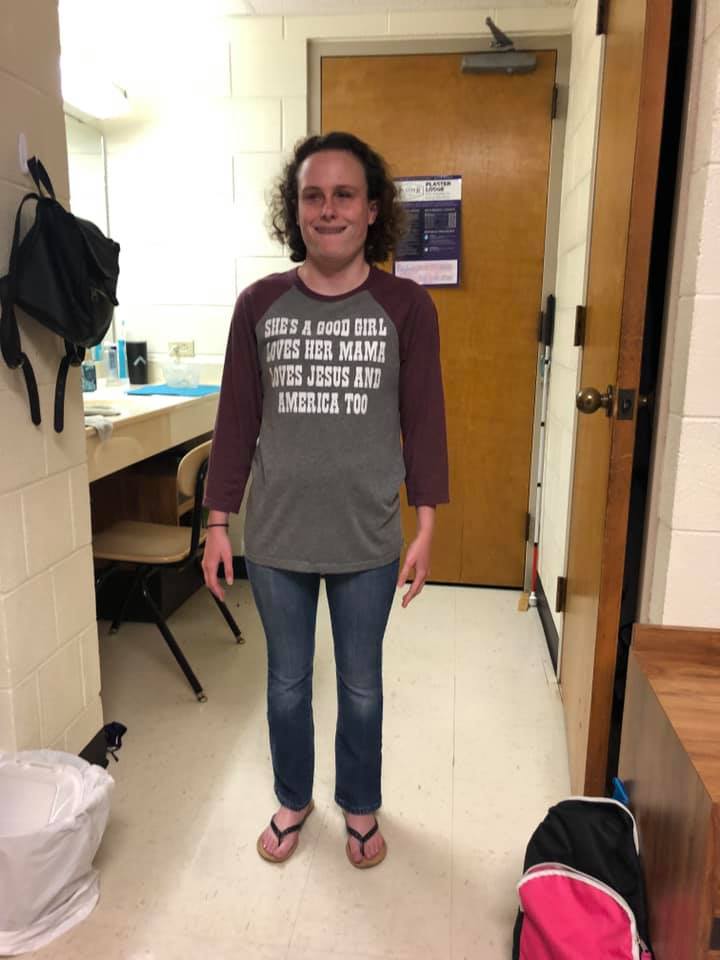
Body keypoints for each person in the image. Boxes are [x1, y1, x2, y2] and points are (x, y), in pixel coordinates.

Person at [202, 131, 448, 869]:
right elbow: (236, 418)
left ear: (373, 210)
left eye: (345, 194)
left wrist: (426, 523)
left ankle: (361, 806)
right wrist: (218, 521)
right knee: (285, 684)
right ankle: (292, 798)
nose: (329, 209)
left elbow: (424, 418)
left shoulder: (405, 306)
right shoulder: (260, 304)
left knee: (362, 685)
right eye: (314, 195)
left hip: (367, 537)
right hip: (275, 537)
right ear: (295, 209)